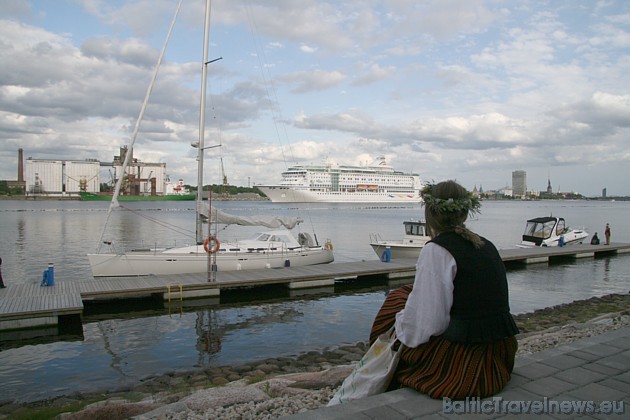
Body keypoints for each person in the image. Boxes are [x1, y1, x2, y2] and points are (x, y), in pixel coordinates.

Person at [369, 180, 519, 399]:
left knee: (395, 301)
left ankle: (378, 365)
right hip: (499, 357)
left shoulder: (437, 250)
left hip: (465, 365)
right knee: (408, 294)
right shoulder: (486, 244)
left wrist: (400, 331)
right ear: (465, 212)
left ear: (429, 213)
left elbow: (429, 323)